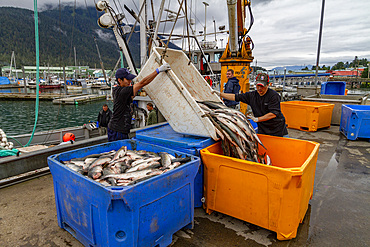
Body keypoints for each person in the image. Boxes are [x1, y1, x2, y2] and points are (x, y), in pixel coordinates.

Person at [107, 64, 171, 141]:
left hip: (121, 129)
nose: (130, 81)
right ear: (119, 80)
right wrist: (158, 71)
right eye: (127, 79)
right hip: (117, 130)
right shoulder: (123, 92)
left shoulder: (118, 90)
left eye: (130, 79)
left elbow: (134, 92)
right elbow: (142, 83)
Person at [214, 72, 288, 137]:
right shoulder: (252, 95)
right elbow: (235, 97)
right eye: (258, 85)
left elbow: (273, 114)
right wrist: (220, 94)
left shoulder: (274, 96)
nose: (259, 88)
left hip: (277, 130)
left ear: (268, 85)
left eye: (262, 86)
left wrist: (258, 119)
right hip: (263, 129)